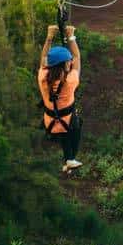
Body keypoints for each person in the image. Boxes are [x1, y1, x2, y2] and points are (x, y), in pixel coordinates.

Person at [38, 24, 83, 172]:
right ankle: (70, 159)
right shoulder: (70, 80)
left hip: (50, 123)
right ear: (64, 64)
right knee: (76, 124)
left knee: (65, 132)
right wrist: (71, 37)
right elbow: (77, 57)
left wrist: (49, 37)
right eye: (68, 61)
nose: (70, 62)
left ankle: (68, 160)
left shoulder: (43, 77)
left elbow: (44, 58)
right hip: (68, 123)